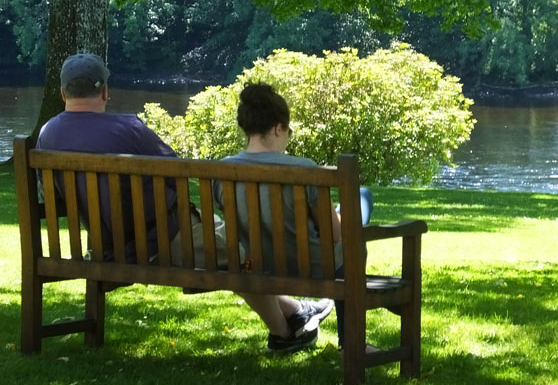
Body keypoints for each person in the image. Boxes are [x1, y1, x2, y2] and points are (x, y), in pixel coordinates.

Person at [37, 53, 331, 353]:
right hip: (164, 242)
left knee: (230, 242)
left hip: (106, 250)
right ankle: (285, 332)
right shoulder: (127, 128)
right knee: (246, 247)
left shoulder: (47, 135)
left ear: (63, 93)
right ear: (104, 92)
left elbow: (51, 199)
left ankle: (296, 310)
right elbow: (178, 169)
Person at [213, 82, 374, 352]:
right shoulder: (304, 170)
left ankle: (297, 321)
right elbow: (335, 237)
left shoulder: (220, 173)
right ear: (278, 128)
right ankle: (351, 344)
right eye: (287, 131)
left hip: (255, 264)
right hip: (312, 265)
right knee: (361, 206)